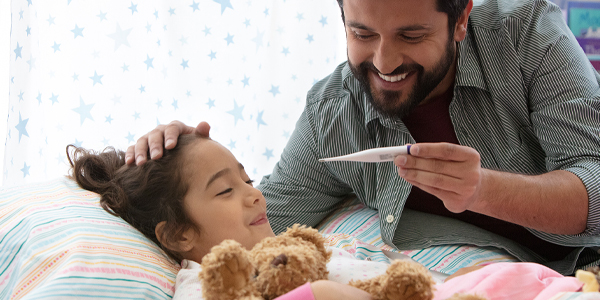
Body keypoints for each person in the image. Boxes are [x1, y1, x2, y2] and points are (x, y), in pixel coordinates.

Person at [128, 0, 600, 274]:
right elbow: (260, 215)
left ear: (461, 20)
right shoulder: (332, 115)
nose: (384, 62)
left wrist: (482, 191)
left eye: (411, 36)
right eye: (361, 33)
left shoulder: (526, 34)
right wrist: (172, 167)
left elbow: (594, 181)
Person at [66, 135, 377, 300]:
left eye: (248, 181)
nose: (255, 195)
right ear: (178, 234)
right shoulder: (204, 285)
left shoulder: (305, 248)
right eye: (226, 190)